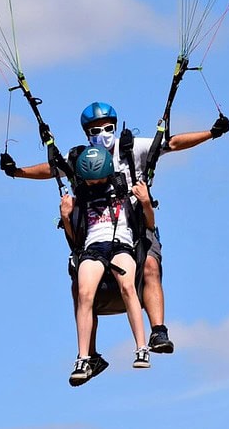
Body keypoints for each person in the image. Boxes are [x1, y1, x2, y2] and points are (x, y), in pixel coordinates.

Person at [1, 102, 229, 374]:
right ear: (87, 132)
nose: (103, 133)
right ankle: (89, 355)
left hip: (137, 220)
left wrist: (211, 133)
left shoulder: (131, 148)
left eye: (108, 127)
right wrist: (17, 172)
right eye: (96, 129)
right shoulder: (81, 158)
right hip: (95, 230)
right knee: (80, 285)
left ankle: (157, 331)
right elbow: (52, 168)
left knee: (150, 265)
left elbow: (173, 143)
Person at [60, 146, 157, 386]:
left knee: (127, 286)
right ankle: (84, 357)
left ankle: (141, 347)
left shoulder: (125, 190)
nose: (95, 184)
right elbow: (74, 240)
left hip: (121, 244)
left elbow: (149, 225)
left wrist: (145, 202)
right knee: (84, 293)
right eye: (90, 181)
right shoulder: (80, 197)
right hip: (93, 247)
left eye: (99, 179)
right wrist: (65, 217)